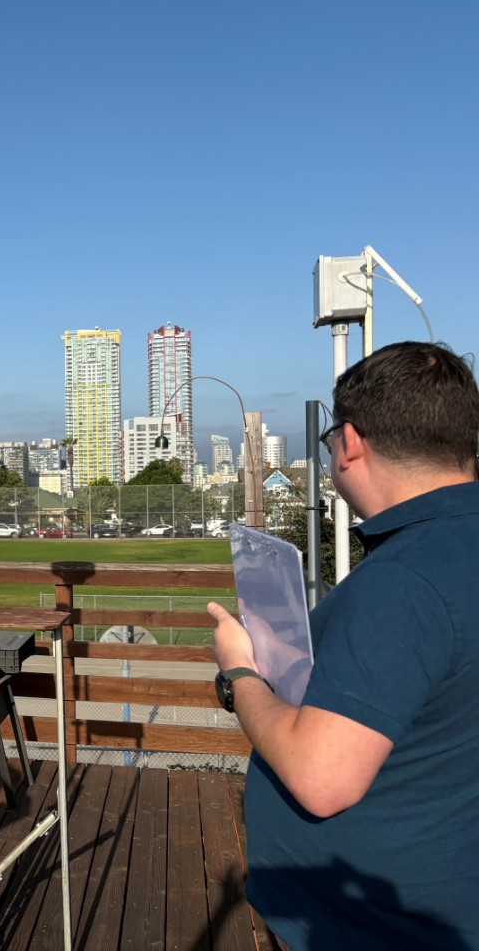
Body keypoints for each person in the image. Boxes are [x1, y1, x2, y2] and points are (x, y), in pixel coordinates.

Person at [209, 341, 479, 950]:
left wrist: (240, 673)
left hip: (373, 927)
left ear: (349, 443)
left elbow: (322, 776)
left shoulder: (403, 580)